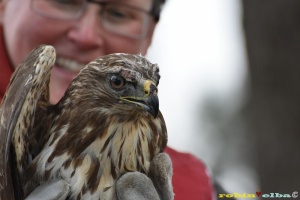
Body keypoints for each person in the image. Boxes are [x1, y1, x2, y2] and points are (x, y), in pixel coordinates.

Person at [0, 0, 215, 199]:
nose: (86, 36)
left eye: (118, 13)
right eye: (63, 0)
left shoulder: (203, 187)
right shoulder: (27, 124)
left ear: (149, 32)